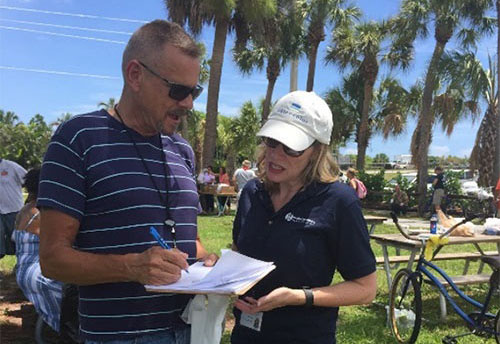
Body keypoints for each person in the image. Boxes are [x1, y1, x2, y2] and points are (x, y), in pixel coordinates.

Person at [37, 20, 217, 343]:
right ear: (135, 75)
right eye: (179, 91)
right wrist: (131, 267)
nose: (189, 103)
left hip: (194, 330)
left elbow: (186, 237)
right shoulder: (78, 139)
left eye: (194, 91)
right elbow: (52, 259)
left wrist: (207, 261)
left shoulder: (182, 151)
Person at [231, 91, 377, 344]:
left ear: (317, 151)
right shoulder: (252, 193)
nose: (275, 154)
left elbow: (366, 289)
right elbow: (238, 252)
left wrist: (299, 296)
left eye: (291, 148)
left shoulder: (338, 201)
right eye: (271, 141)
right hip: (245, 335)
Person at [12, 168, 64, 332]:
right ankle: (75, 330)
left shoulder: (27, 208)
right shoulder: (40, 213)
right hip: (38, 271)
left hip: (25, 270)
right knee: (78, 291)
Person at [0, 158, 27, 258]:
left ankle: (20, 266)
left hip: (14, 211)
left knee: (18, 242)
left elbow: (28, 180)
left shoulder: (11, 166)